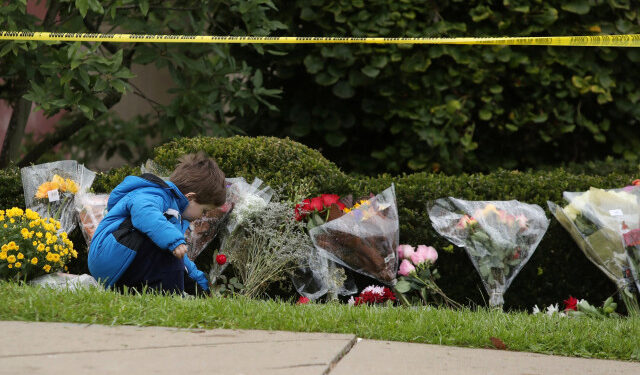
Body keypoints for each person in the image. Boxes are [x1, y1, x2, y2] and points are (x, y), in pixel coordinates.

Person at [88, 152, 226, 295]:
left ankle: (190, 294)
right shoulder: (156, 193)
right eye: (204, 211)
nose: (201, 217)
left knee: (172, 253)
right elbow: (144, 213)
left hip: (122, 261)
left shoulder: (174, 215)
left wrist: (201, 284)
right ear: (190, 198)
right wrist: (174, 241)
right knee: (167, 248)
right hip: (108, 255)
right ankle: (171, 297)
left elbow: (182, 259)